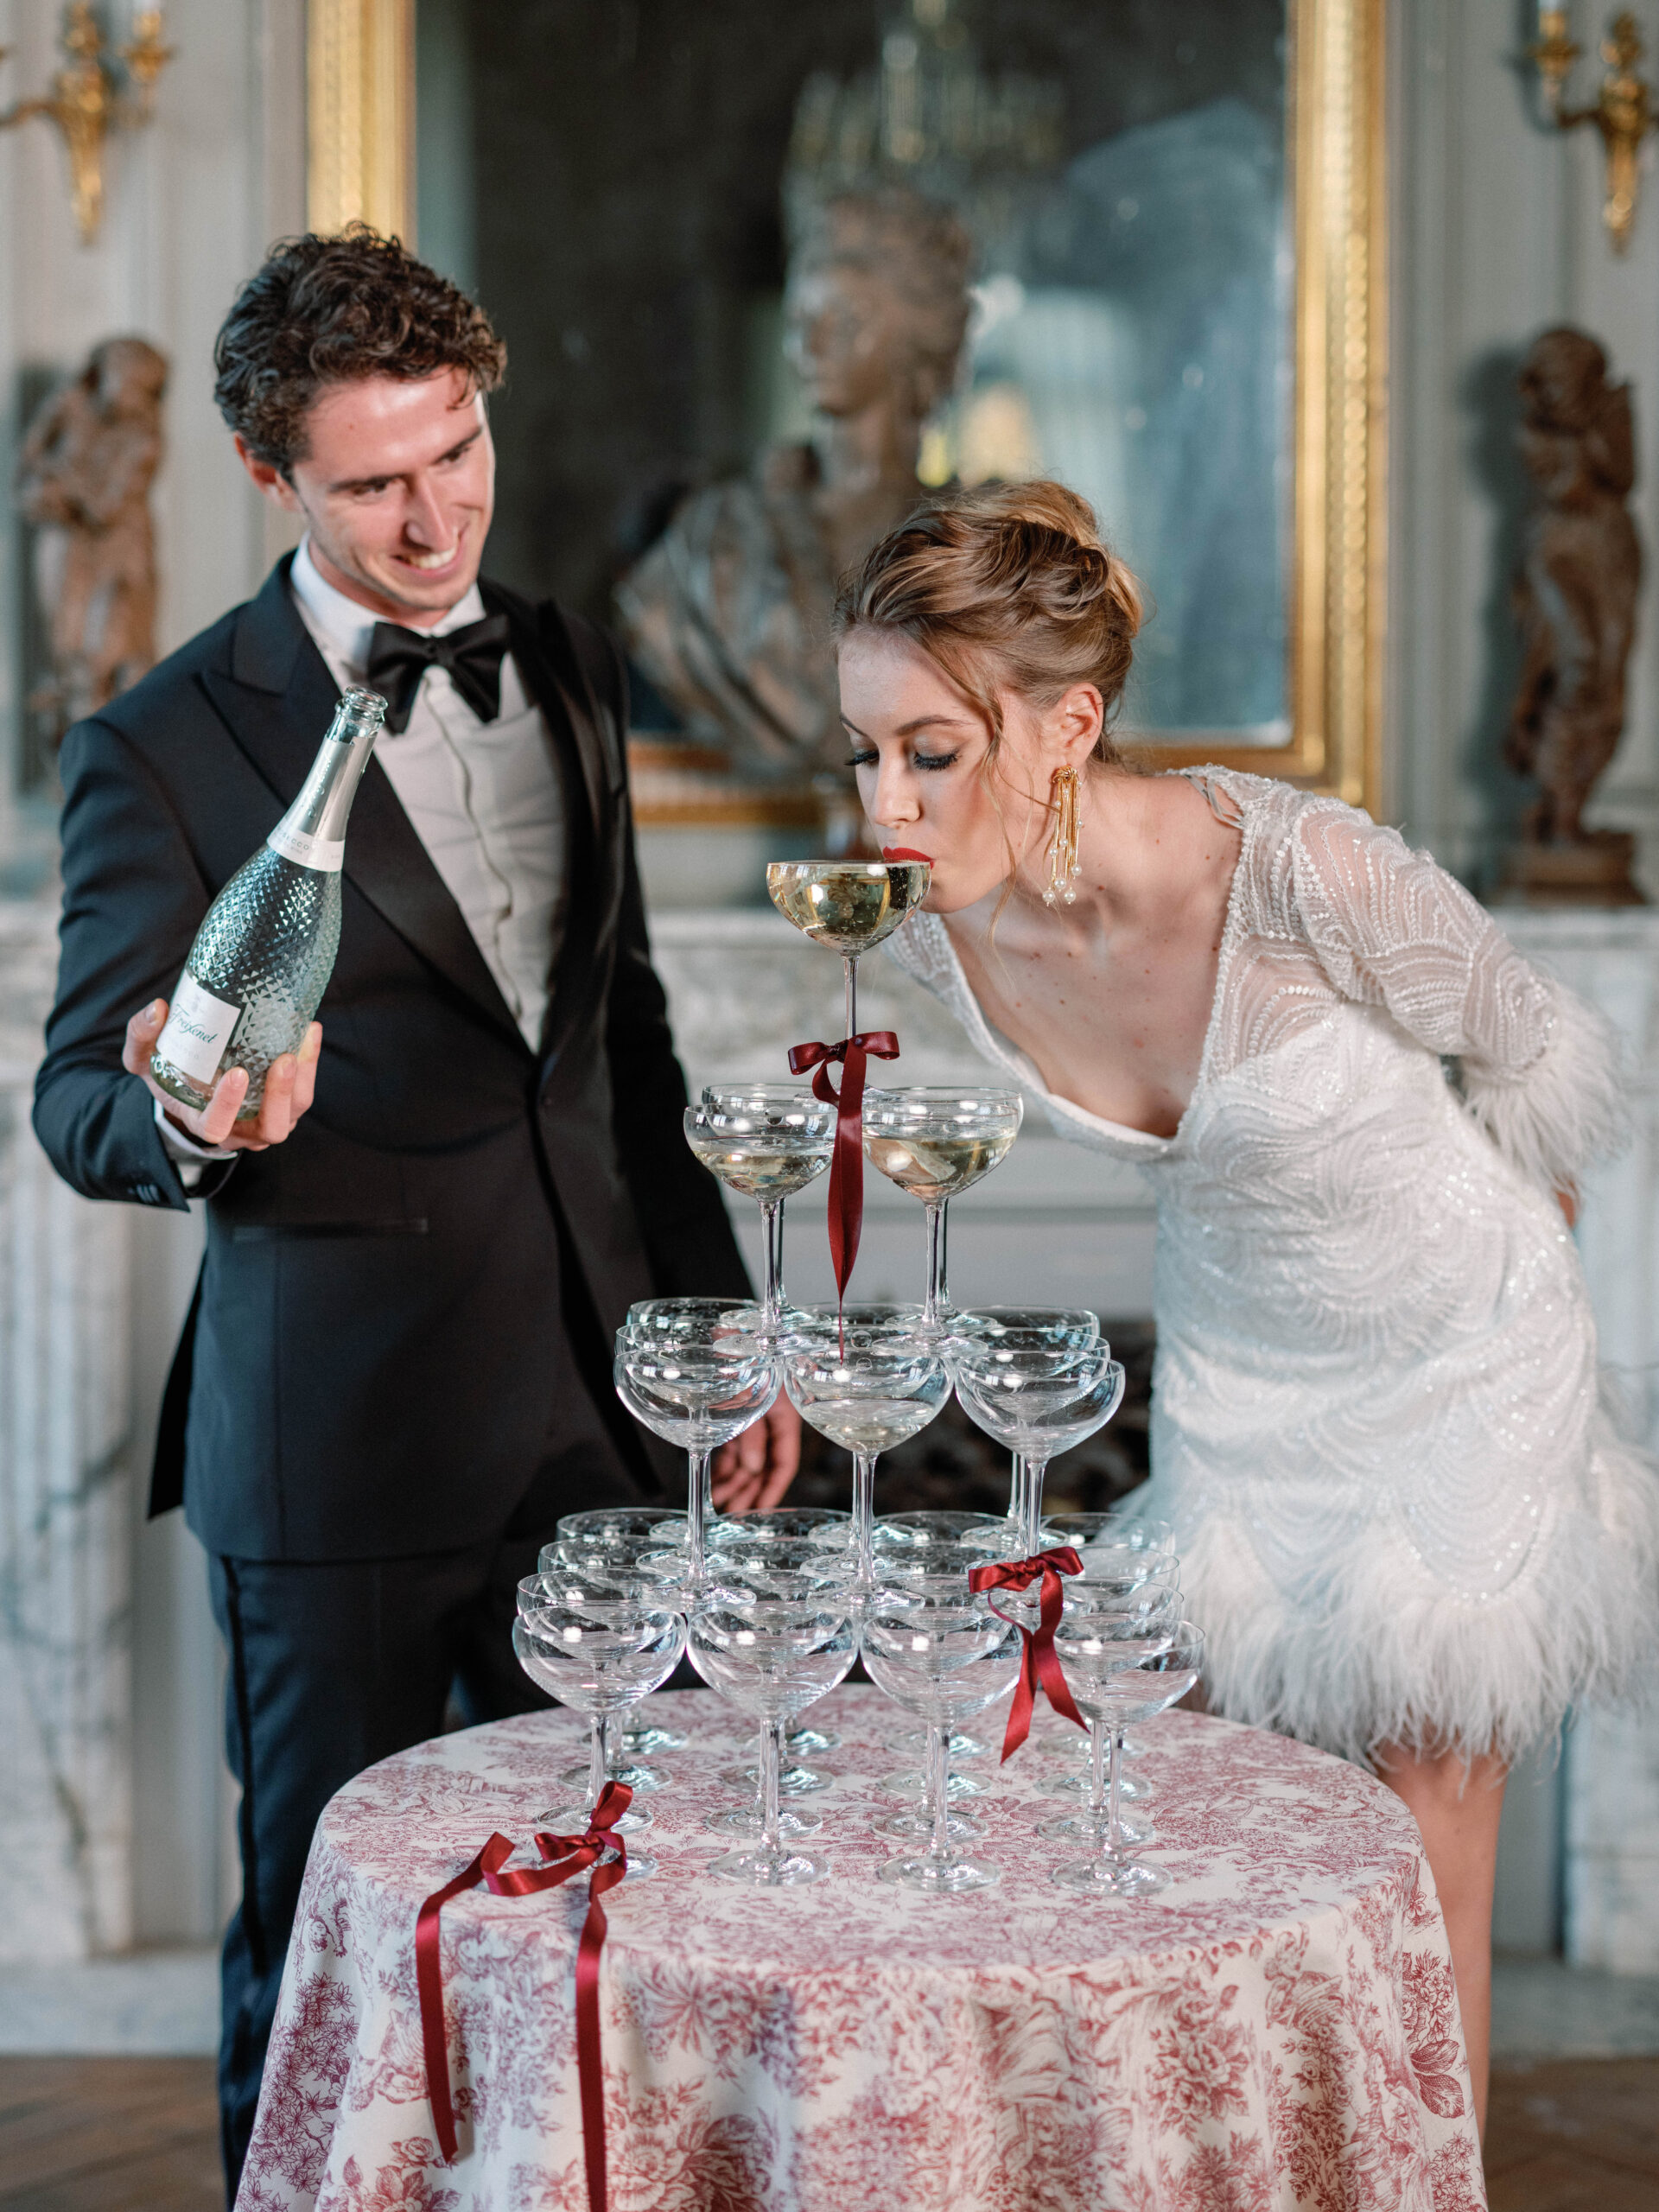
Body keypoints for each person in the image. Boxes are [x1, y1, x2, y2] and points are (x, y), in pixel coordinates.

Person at [32, 226, 797, 2197]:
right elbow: (81, 1102)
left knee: (650, 1909)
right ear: (268, 476)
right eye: (375, 481)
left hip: (615, 1419)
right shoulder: (161, 748)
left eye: (456, 448)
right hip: (340, 1445)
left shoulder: (566, 659)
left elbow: (616, 1037)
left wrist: (721, 1338)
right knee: (330, 1951)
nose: (434, 511)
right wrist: (193, 1110)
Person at [835, 477, 1659, 2136]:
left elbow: (1531, 1050)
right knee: (1223, 1813)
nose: (885, 805)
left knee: (1430, 1805)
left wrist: (1511, 1308)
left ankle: (1428, 2178)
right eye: (863, 752)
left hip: (1453, 1352)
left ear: (1069, 725)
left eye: (932, 751)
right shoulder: (932, 933)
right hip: (1240, 1379)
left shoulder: (1295, 870)